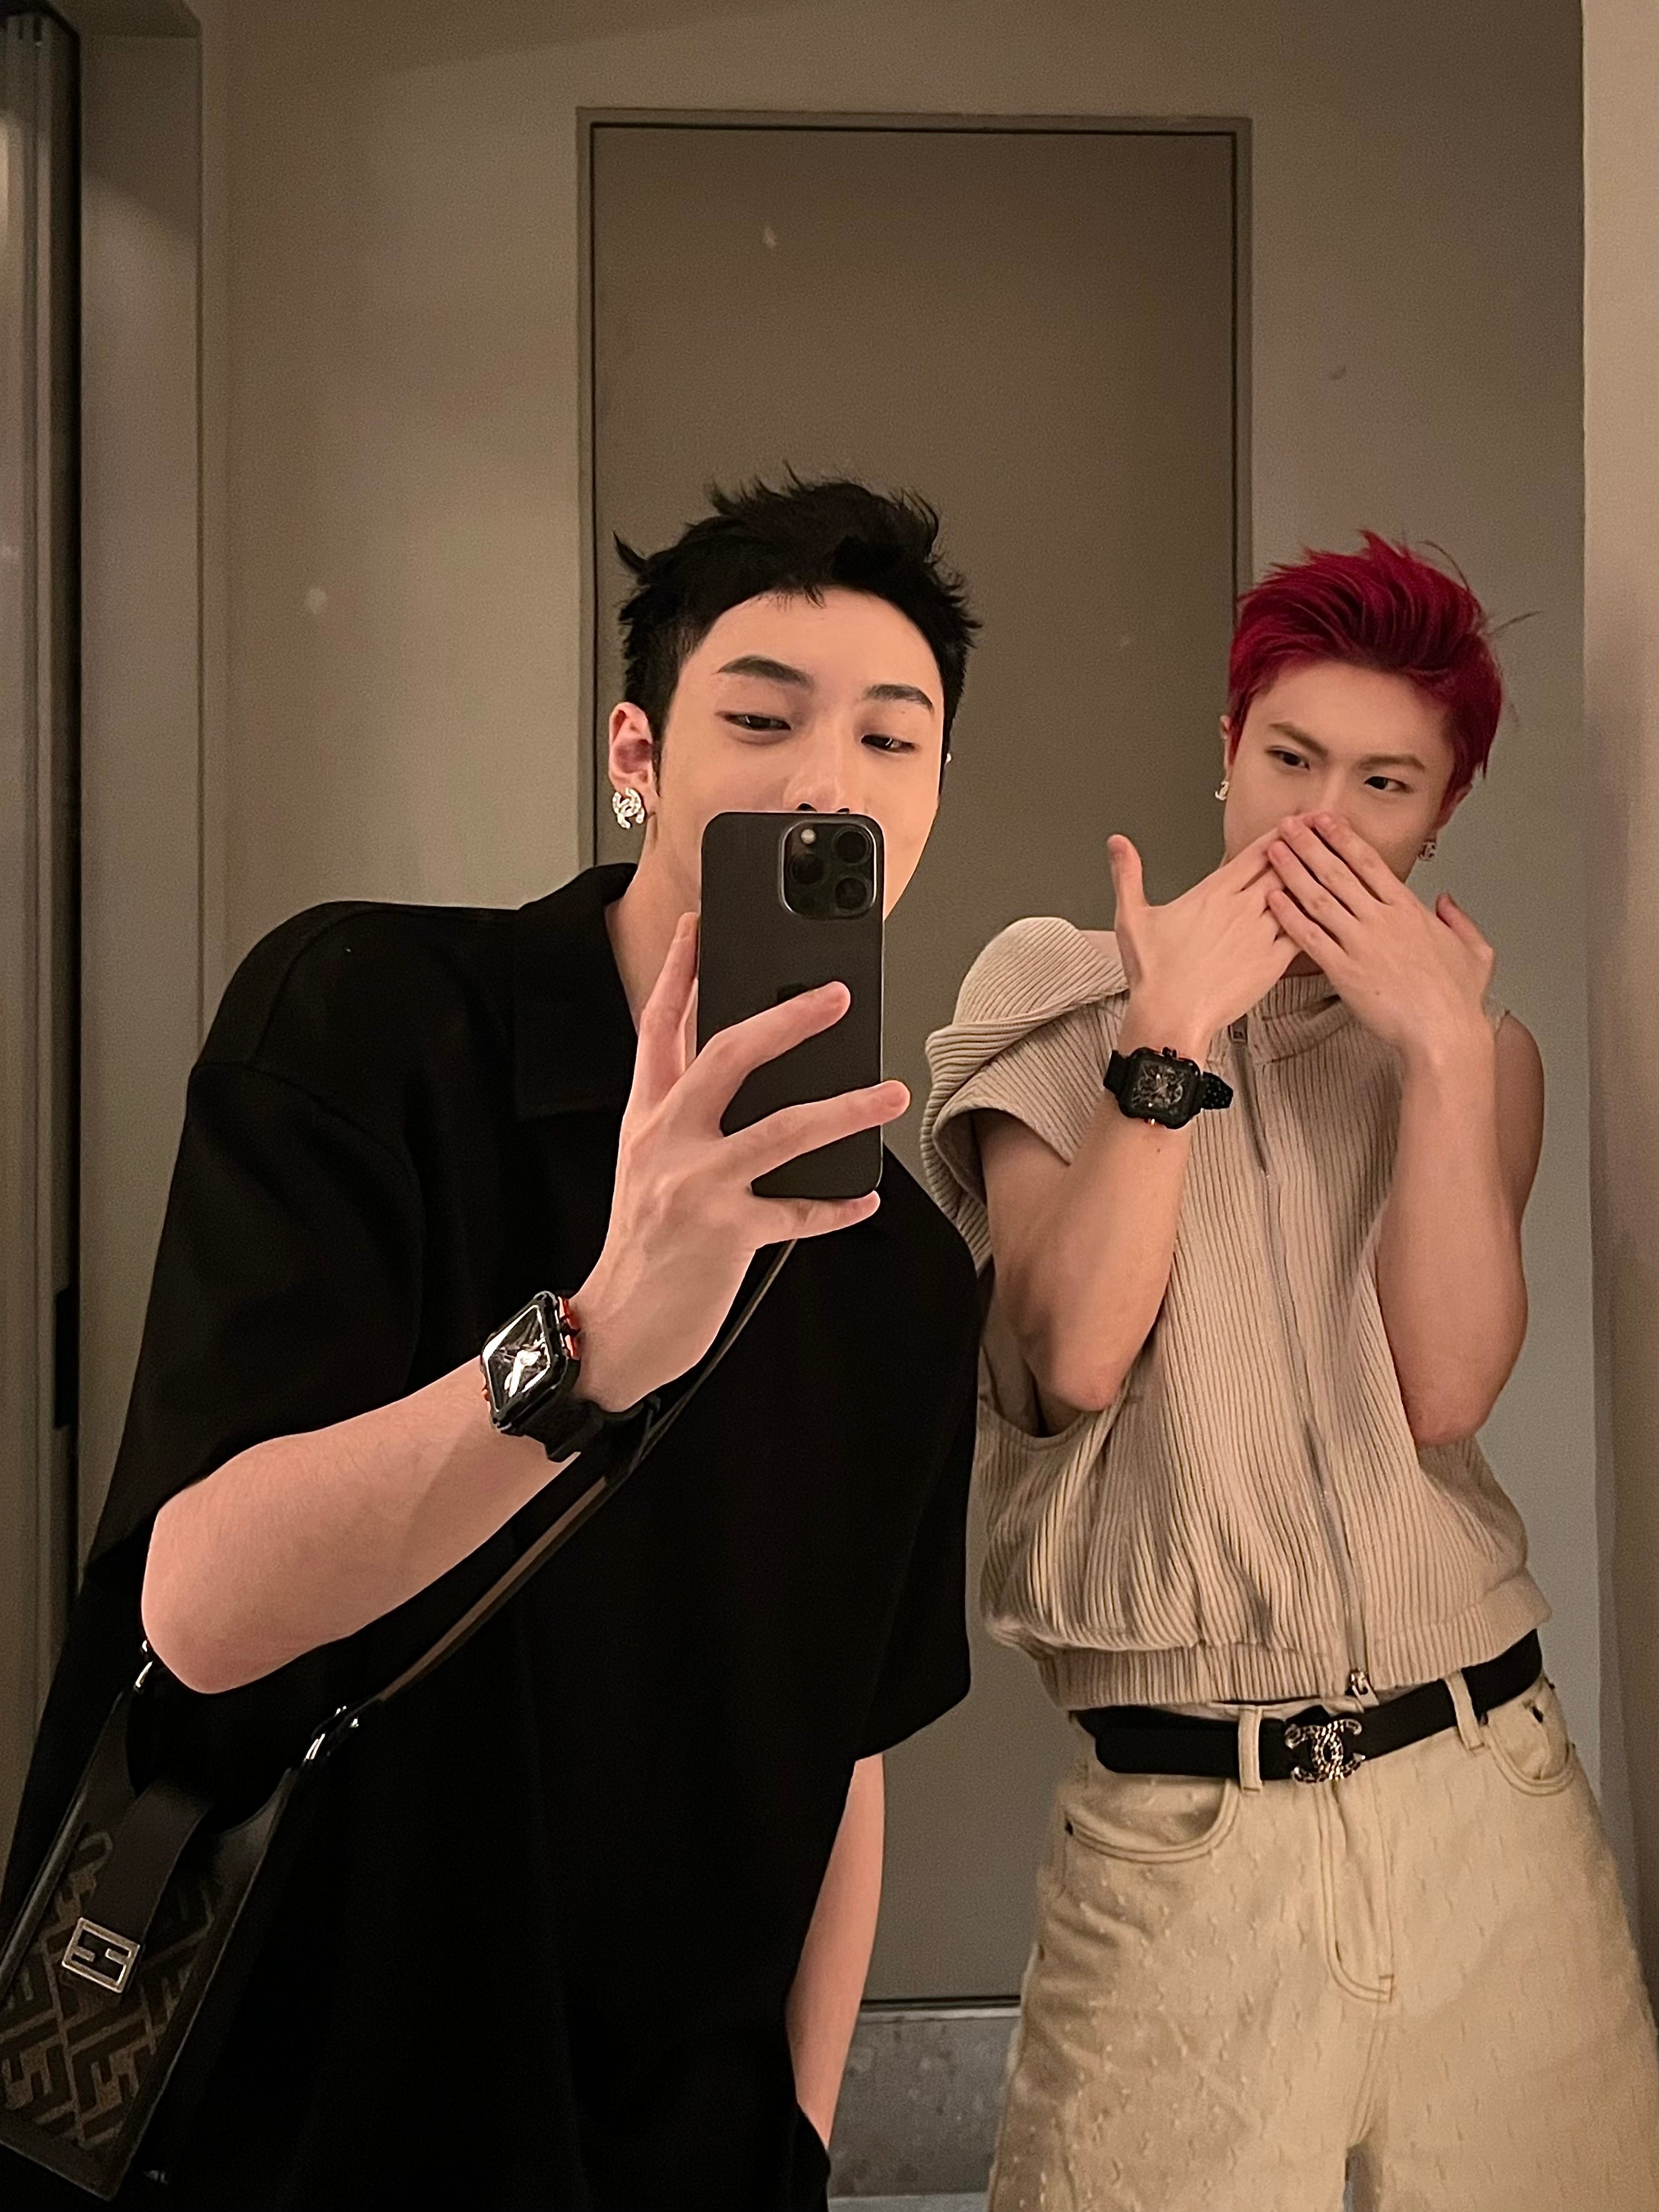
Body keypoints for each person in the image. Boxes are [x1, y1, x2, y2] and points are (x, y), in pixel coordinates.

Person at [0, 478, 983, 2211]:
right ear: (636, 752)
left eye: (890, 740)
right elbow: (199, 1611)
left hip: (673, 2157)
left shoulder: (897, 1263)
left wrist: (800, 2141)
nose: (829, 782)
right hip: (316, 2123)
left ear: (931, 802)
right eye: (762, 718)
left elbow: (846, 1751)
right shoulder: (371, 1022)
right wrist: (592, 1343)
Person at [922, 535, 1659, 2212]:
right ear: (1226, 749)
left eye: (1385, 782)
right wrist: (1166, 1041)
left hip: (1492, 1802)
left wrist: (1446, 1057)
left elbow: (1445, 1391)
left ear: (1440, 815)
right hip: (1183, 1851)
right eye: (1291, 758)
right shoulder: (1058, 993)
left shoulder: (1480, 1054)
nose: (1325, 818)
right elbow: (1070, 1351)